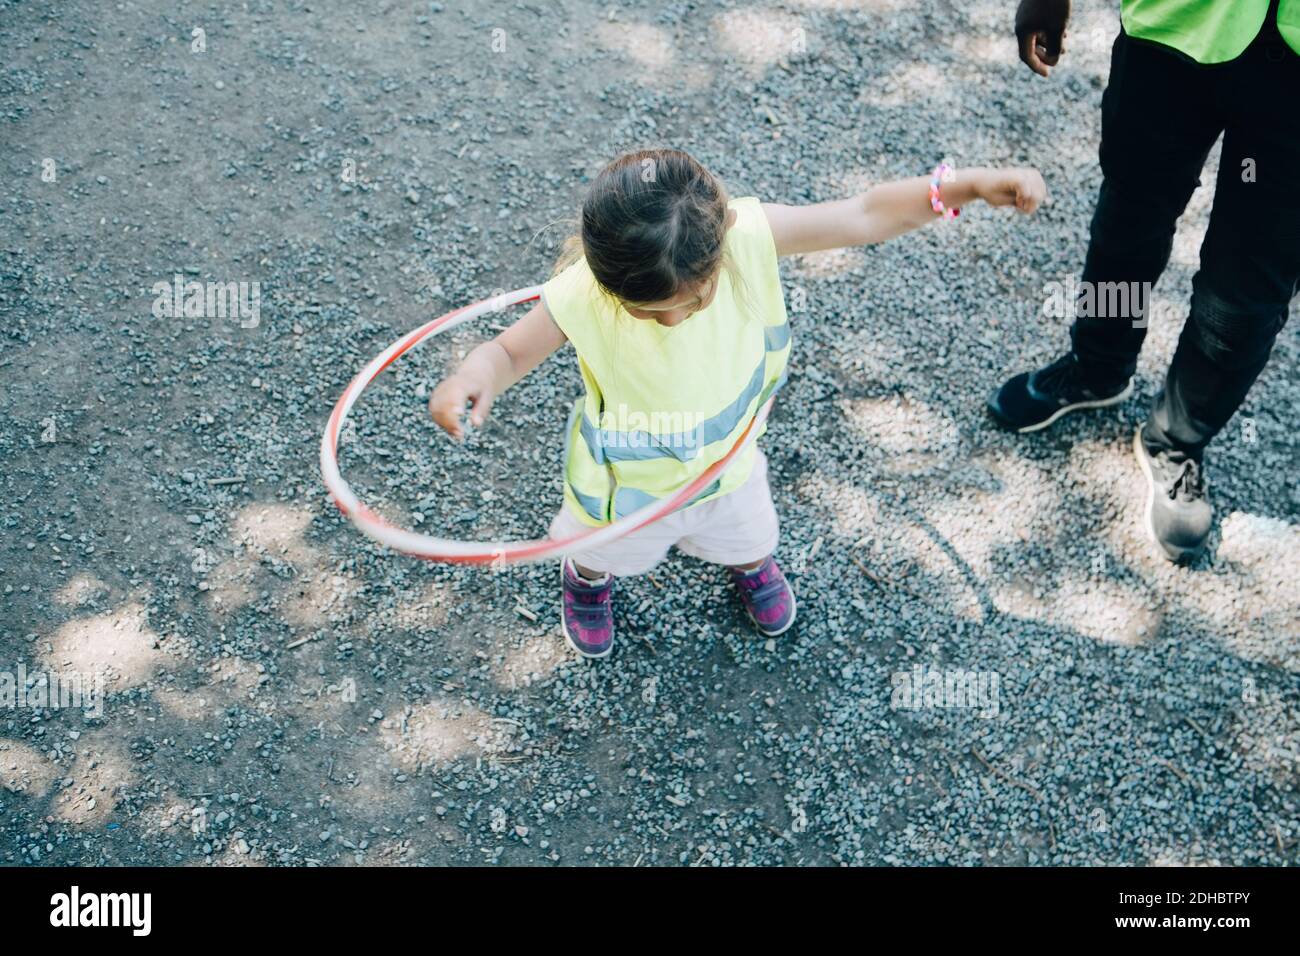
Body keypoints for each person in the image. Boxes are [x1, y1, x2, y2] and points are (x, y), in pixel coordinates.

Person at [431, 148, 1045, 658]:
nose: (673, 318)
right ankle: (586, 578)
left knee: (751, 536)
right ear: (604, 276)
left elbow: (863, 213)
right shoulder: (582, 294)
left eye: (693, 299)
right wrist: (475, 374)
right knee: (599, 548)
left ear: (721, 247)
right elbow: (509, 354)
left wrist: (970, 186)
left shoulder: (746, 235)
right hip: (628, 484)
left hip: (729, 464)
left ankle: (746, 565)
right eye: (648, 311)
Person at [989, 0, 1300, 562]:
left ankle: (1177, 440)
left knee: (1247, 295)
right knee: (1130, 221)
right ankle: (1099, 366)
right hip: (1180, 22)